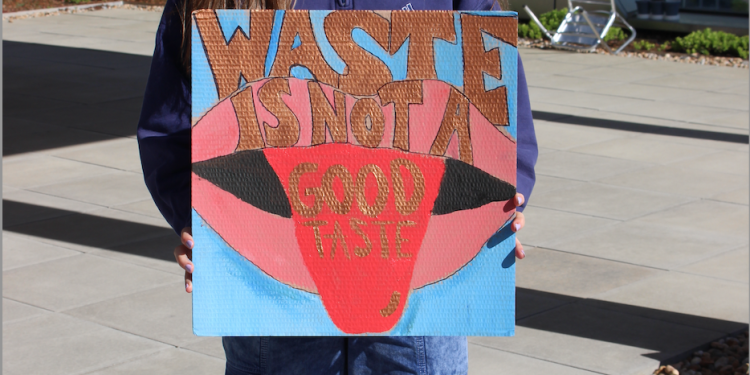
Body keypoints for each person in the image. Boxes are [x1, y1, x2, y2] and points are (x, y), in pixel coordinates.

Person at [137, 0, 538, 373]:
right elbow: (168, 131)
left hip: (421, 316)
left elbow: (499, 96)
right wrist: (200, 219)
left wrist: (500, 204)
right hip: (271, 307)